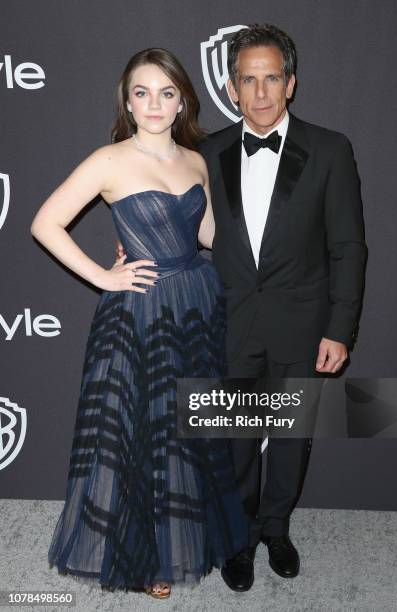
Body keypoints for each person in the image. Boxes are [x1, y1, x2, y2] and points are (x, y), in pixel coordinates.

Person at [119, 23, 368, 591]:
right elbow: (181, 220)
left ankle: (276, 528)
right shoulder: (207, 152)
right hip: (227, 319)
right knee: (233, 442)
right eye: (247, 80)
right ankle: (237, 536)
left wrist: (340, 327)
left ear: (291, 83)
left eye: (271, 79)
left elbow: (348, 247)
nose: (259, 93)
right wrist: (137, 239)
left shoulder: (330, 150)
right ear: (232, 88)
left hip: (303, 323)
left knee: (288, 440)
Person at [30, 48, 247, 599]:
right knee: (142, 432)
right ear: (128, 102)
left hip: (197, 299)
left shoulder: (197, 161)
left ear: (181, 103)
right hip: (141, 308)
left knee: (189, 427)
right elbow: (45, 223)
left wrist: (271, 247)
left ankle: (191, 534)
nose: (154, 103)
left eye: (166, 93)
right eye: (142, 92)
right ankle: (148, 554)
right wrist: (104, 277)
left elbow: (208, 235)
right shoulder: (109, 160)